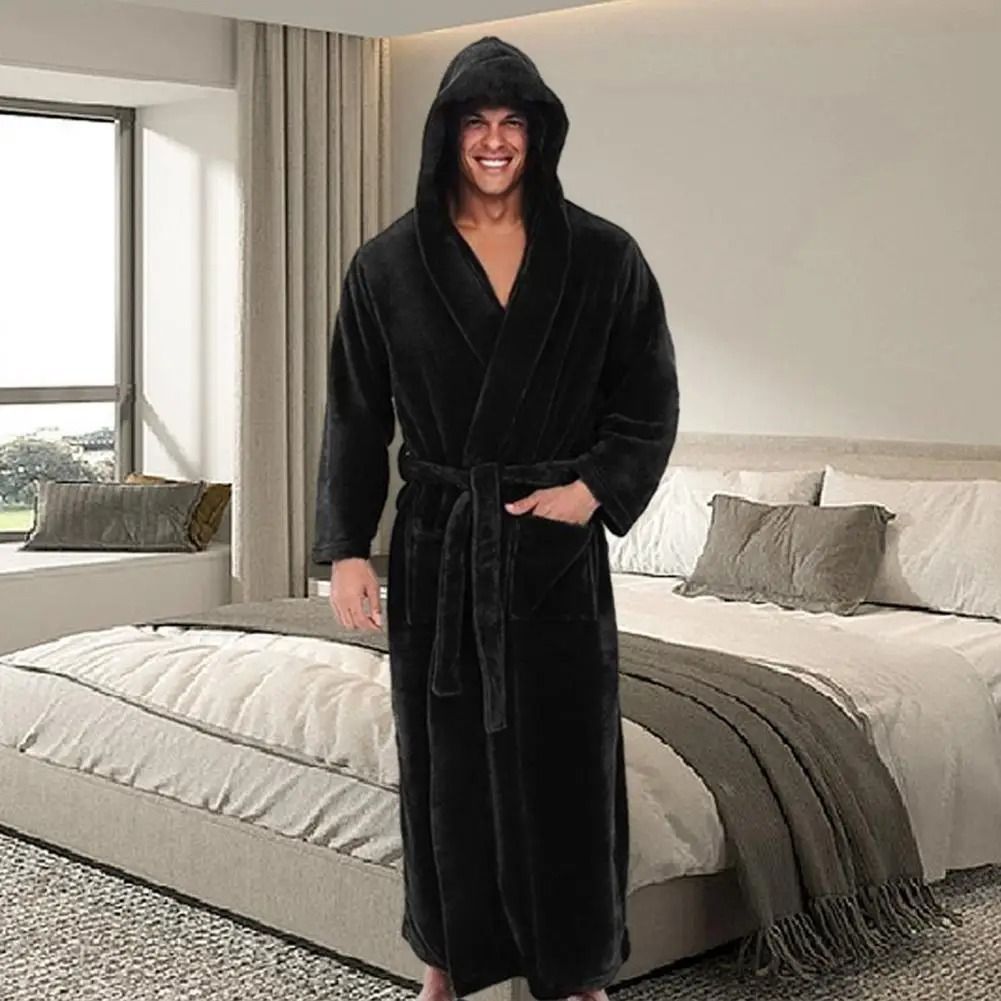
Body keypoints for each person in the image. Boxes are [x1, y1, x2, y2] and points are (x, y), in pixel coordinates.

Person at [313, 34, 680, 1001]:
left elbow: (647, 396)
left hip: (552, 551)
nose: (493, 140)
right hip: (439, 546)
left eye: (513, 122)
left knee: (568, 769)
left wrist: (593, 488)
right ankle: (446, 967)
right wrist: (346, 548)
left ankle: (579, 974)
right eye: (474, 121)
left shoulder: (601, 256)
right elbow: (356, 414)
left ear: (539, 134)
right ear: (445, 133)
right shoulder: (387, 264)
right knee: (446, 772)